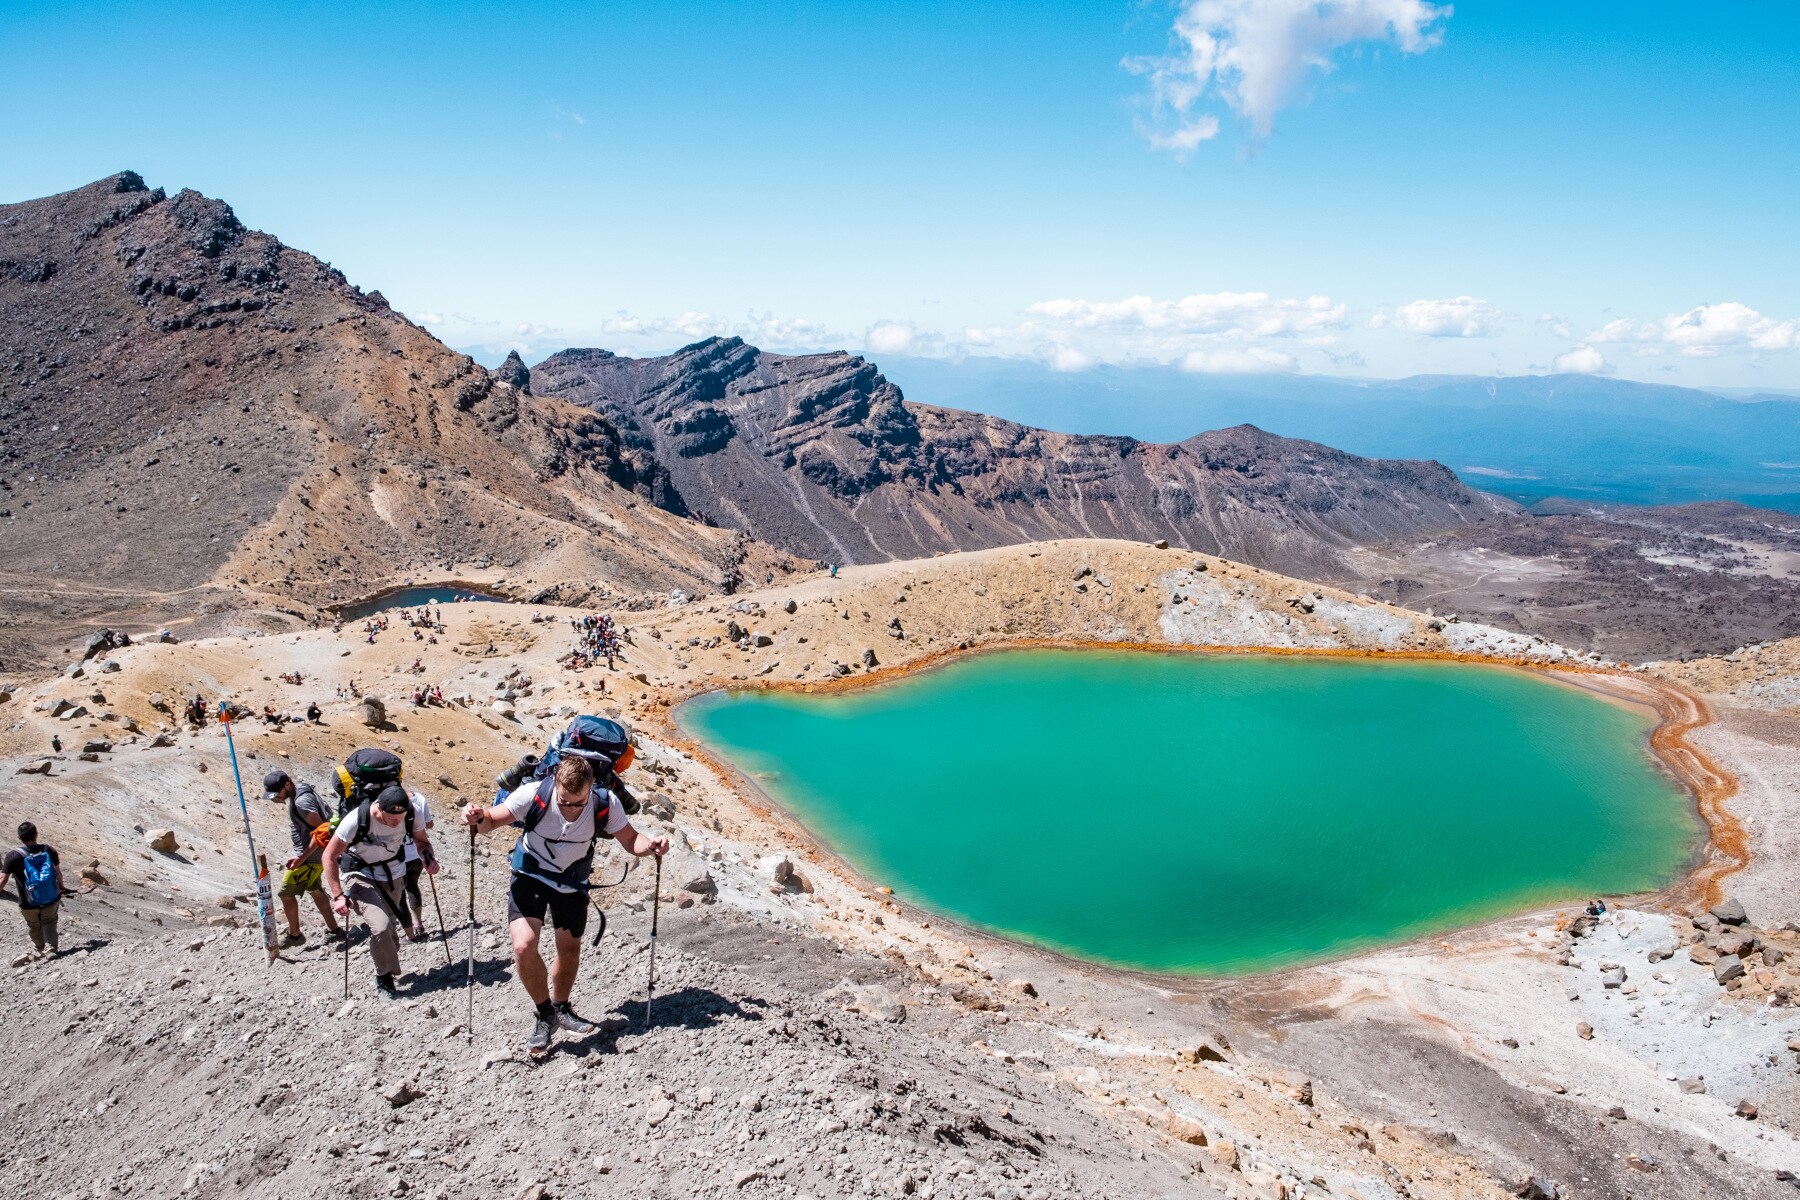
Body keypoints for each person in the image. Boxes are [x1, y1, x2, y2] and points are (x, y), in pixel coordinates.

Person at [462, 756, 668, 1057]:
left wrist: (651, 847)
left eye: (579, 803)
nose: (571, 810)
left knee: (569, 949)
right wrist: (476, 817)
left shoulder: (604, 802)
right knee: (523, 947)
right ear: (555, 784)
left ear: (590, 789)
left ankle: (561, 1007)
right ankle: (545, 1014)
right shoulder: (533, 794)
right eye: (565, 802)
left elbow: (631, 839)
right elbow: (490, 822)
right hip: (529, 876)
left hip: (572, 883)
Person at [322, 784, 438, 999]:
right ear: (379, 808)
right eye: (391, 819)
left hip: (393, 874)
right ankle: (384, 977)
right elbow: (329, 856)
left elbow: (422, 842)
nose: (396, 823)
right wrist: (338, 896)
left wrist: (428, 857)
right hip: (360, 874)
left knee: (390, 932)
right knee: (381, 927)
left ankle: (386, 963)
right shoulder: (357, 819)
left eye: (400, 818)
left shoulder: (410, 814)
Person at [264, 770, 344, 947]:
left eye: (277, 793)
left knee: (285, 893)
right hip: (313, 855)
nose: (276, 798)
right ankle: (334, 930)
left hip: (311, 858)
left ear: (287, 785)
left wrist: (302, 857)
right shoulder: (301, 791)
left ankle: (295, 935)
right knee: (315, 889)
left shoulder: (301, 801)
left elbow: (324, 830)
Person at [0, 822, 65, 957]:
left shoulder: (13, 856)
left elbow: (3, 879)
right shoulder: (49, 850)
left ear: (19, 837)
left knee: (33, 925)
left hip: (27, 901)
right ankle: (51, 949)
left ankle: (40, 948)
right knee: (49, 922)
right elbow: (58, 873)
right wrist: (62, 888)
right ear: (36, 834)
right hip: (51, 897)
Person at [399, 789, 436, 942]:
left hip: (399, 858)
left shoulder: (390, 802)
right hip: (416, 855)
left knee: (400, 895)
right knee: (412, 886)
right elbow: (430, 824)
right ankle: (418, 924)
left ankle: (409, 933)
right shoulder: (419, 798)